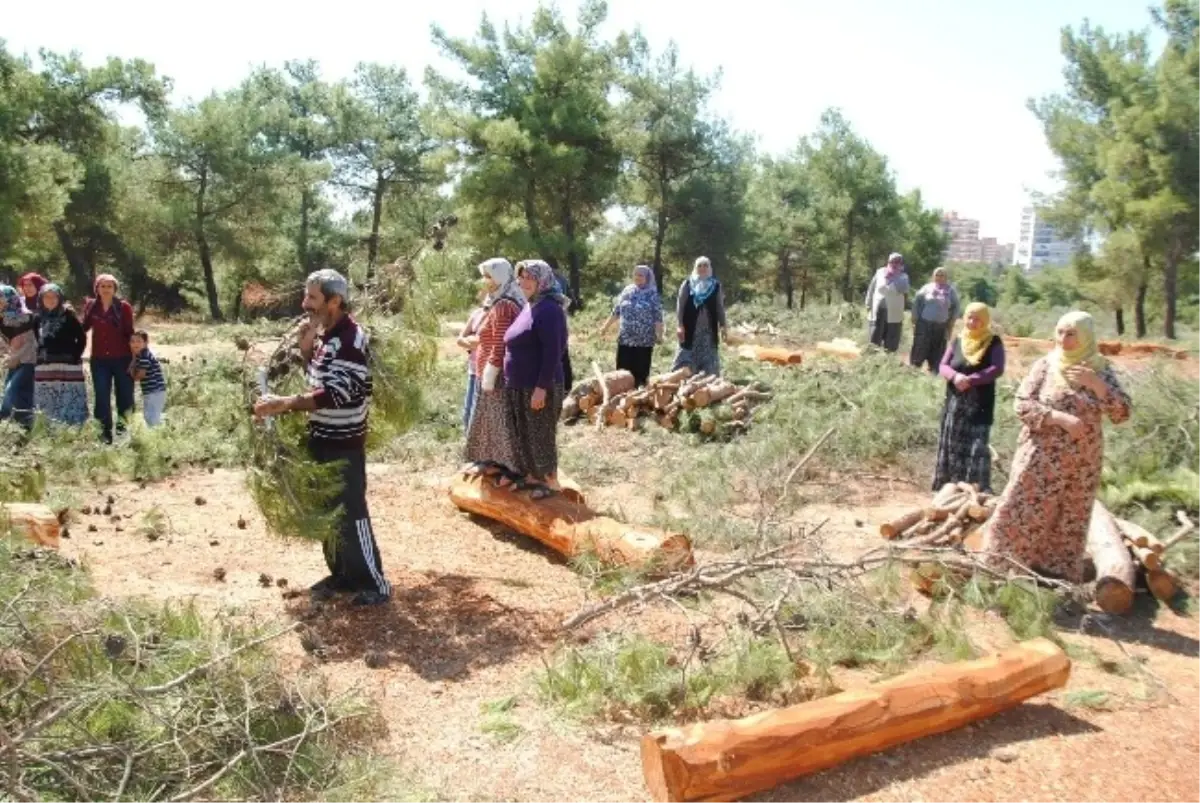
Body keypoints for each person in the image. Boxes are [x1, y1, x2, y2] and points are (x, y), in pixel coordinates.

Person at [253, 269, 390, 607]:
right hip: (321, 436)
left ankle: (374, 582)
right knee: (328, 510)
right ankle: (342, 575)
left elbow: (335, 394)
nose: (304, 303)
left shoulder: (350, 339)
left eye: (312, 297)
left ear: (335, 301)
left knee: (352, 512)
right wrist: (304, 348)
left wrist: (284, 404)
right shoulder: (325, 335)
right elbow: (317, 377)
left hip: (344, 442)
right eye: (306, 295)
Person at [979, 311, 1131, 582]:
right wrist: (1057, 418)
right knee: (1019, 509)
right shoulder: (1046, 365)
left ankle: (1052, 580)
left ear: (1085, 336)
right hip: (1040, 459)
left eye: (1071, 334)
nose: (1063, 339)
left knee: (1069, 518)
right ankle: (999, 569)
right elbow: (1022, 403)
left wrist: (1097, 387)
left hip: (1081, 464)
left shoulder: (1099, 370)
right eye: (1060, 332)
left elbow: (1121, 414)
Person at [504, 259, 569, 498]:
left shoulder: (550, 309)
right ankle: (532, 477)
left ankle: (550, 482)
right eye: (521, 278)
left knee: (540, 433)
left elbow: (554, 351)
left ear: (542, 280)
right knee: (525, 432)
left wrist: (542, 387)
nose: (523, 282)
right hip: (521, 383)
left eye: (530, 278)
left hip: (540, 384)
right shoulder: (532, 304)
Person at [932, 302, 1005, 493]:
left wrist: (971, 379)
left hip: (979, 402)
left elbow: (997, 368)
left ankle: (975, 488)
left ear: (985, 321)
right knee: (953, 440)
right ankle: (949, 485)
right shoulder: (958, 339)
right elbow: (943, 365)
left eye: (977, 319)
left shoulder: (993, 342)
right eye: (970, 318)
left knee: (977, 444)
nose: (973, 322)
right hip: (955, 401)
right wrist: (955, 376)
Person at [464, 258, 524, 481]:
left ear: (499, 277)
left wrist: (489, 376)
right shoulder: (498, 301)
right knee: (490, 421)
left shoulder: (504, 305)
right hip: (491, 371)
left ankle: (508, 469)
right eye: (485, 276)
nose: (485, 281)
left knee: (500, 422)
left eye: (489, 276)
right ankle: (491, 462)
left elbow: (500, 343)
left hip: (496, 375)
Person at [81, 274, 135, 443]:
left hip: (123, 358)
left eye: (109, 286)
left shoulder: (123, 307)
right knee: (102, 397)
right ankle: (104, 435)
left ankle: (124, 433)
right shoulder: (92, 306)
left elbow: (130, 332)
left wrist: (136, 358)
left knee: (125, 397)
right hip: (99, 360)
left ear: (115, 289)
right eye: (102, 286)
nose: (106, 289)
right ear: (97, 288)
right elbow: (84, 326)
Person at [598, 264, 663, 386]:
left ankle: (638, 397)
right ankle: (620, 397)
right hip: (625, 339)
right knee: (622, 371)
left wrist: (659, 335)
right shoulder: (627, 290)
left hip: (644, 340)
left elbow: (658, 317)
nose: (637, 277)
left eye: (641, 275)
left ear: (647, 277)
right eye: (636, 274)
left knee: (640, 373)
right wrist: (605, 327)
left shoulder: (652, 294)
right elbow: (616, 311)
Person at [33, 283, 88, 425]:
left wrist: (75, 356)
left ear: (60, 298)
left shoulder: (69, 315)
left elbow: (81, 338)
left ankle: (71, 427)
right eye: (47, 296)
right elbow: (36, 338)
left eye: (54, 297)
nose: (50, 300)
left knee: (68, 395)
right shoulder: (38, 317)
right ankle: (47, 425)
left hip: (68, 364)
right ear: (41, 299)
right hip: (45, 364)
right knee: (47, 396)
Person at [672, 256, 727, 377]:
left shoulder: (715, 286)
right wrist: (680, 325)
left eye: (705, 265)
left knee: (709, 356)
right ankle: (681, 378)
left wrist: (723, 325)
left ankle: (708, 380)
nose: (702, 268)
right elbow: (680, 305)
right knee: (685, 353)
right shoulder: (687, 284)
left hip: (708, 329)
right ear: (695, 268)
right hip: (690, 328)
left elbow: (719, 307)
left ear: (709, 268)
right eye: (699, 266)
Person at [0, 285, 37, 428]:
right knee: (23, 393)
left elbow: (25, 343)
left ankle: (4, 418)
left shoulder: (25, 317)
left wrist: (14, 357)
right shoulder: (2, 318)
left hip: (29, 360)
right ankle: (26, 425)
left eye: (1, 298)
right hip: (15, 360)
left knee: (11, 389)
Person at [910, 267, 960, 372]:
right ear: (933, 276)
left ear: (946, 277)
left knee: (938, 351)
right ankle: (914, 369)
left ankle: (933, 371)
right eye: (937, 275)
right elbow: (916, 302)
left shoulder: (951, 291)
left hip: (941, 326)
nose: (939, 277)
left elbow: (956, 306)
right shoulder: (926, 288)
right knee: (920, 347)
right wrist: (915, 319)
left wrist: (952, 321)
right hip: (924, 325)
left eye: (942, 275)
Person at [865, 253, 911, 352]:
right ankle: (872, 356)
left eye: (897, 262)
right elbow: (872, 288)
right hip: (878, 309)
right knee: (874, 336)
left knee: (891, 338)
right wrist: (868, 304)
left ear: (901, 263)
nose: (894, 264)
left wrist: (894, 278)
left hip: (894, 311)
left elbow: (904, 292)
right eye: (892, 261)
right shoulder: (880, 272)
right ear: (888, 262)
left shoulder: (903, 276)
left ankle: (888, 358)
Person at [456, 299, 486, 429]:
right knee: (468, 411)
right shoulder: (477, 314)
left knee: (478, 412)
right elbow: (460, 339)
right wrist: (471, 342)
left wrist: (478, 343)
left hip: (486, 372)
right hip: (473, 370)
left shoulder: (496, 315)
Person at [129, 330, 167, 427]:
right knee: (149, 416)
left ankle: (158, 435)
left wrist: (132, 373)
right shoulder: (141, 355)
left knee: (151, 417)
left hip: (155, 391)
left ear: (145, 343)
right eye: (132, 341)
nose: (135, 344)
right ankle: (163, 428)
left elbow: (141, 375)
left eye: (138, 341)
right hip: (152, 391)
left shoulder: (144, 356)